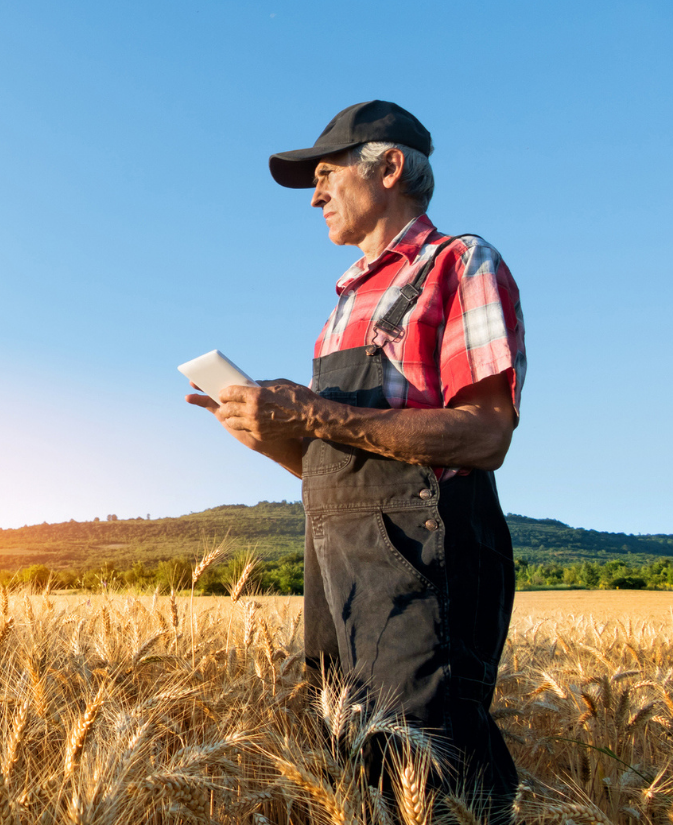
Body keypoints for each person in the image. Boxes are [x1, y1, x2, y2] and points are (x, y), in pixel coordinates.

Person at [185, 101, 525, 816]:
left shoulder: (458, 264)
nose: (313, 195)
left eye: (325, 174)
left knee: (432, 768)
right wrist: (271, 434)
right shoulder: (341, 304)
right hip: (340, 565)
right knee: (353, 764)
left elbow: (484, 434)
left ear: (389, 167)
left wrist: (309, 411)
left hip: (429, 559)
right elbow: (350, 468)